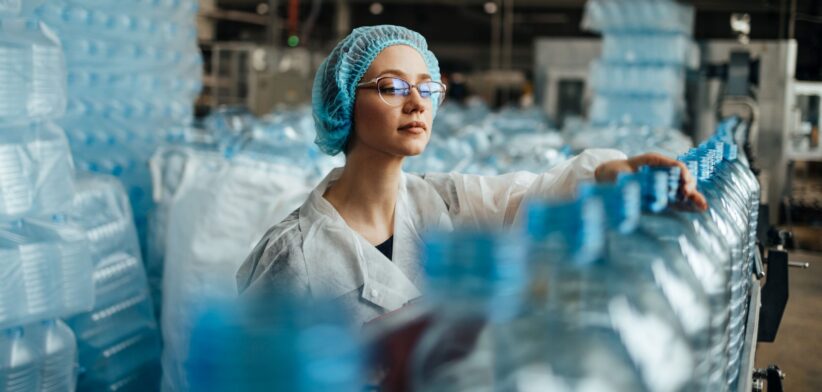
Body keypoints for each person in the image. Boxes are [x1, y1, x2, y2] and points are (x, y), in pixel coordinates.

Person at [236, 25, 706, 326]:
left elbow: (530, 198)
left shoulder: (439, 203)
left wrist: (611, 172)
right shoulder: (293, 256)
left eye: (427, 87)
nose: (417, 102)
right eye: (392, 86)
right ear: (343, 102)